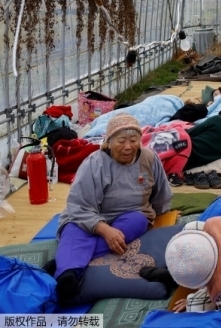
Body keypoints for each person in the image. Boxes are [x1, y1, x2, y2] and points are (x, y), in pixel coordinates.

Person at [47, 114, 173, 304]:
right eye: (121, 141)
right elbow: (78, 206)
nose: (128, 147)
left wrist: (162, 226)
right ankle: (68, 275)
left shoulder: (149, 158)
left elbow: (161, 195)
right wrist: (104, 230)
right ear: (108, 142)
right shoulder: (94, 163)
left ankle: (66, 260)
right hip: (90, 217)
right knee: (73, 228)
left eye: (133, 140)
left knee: (138, 221)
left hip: (128, 217)